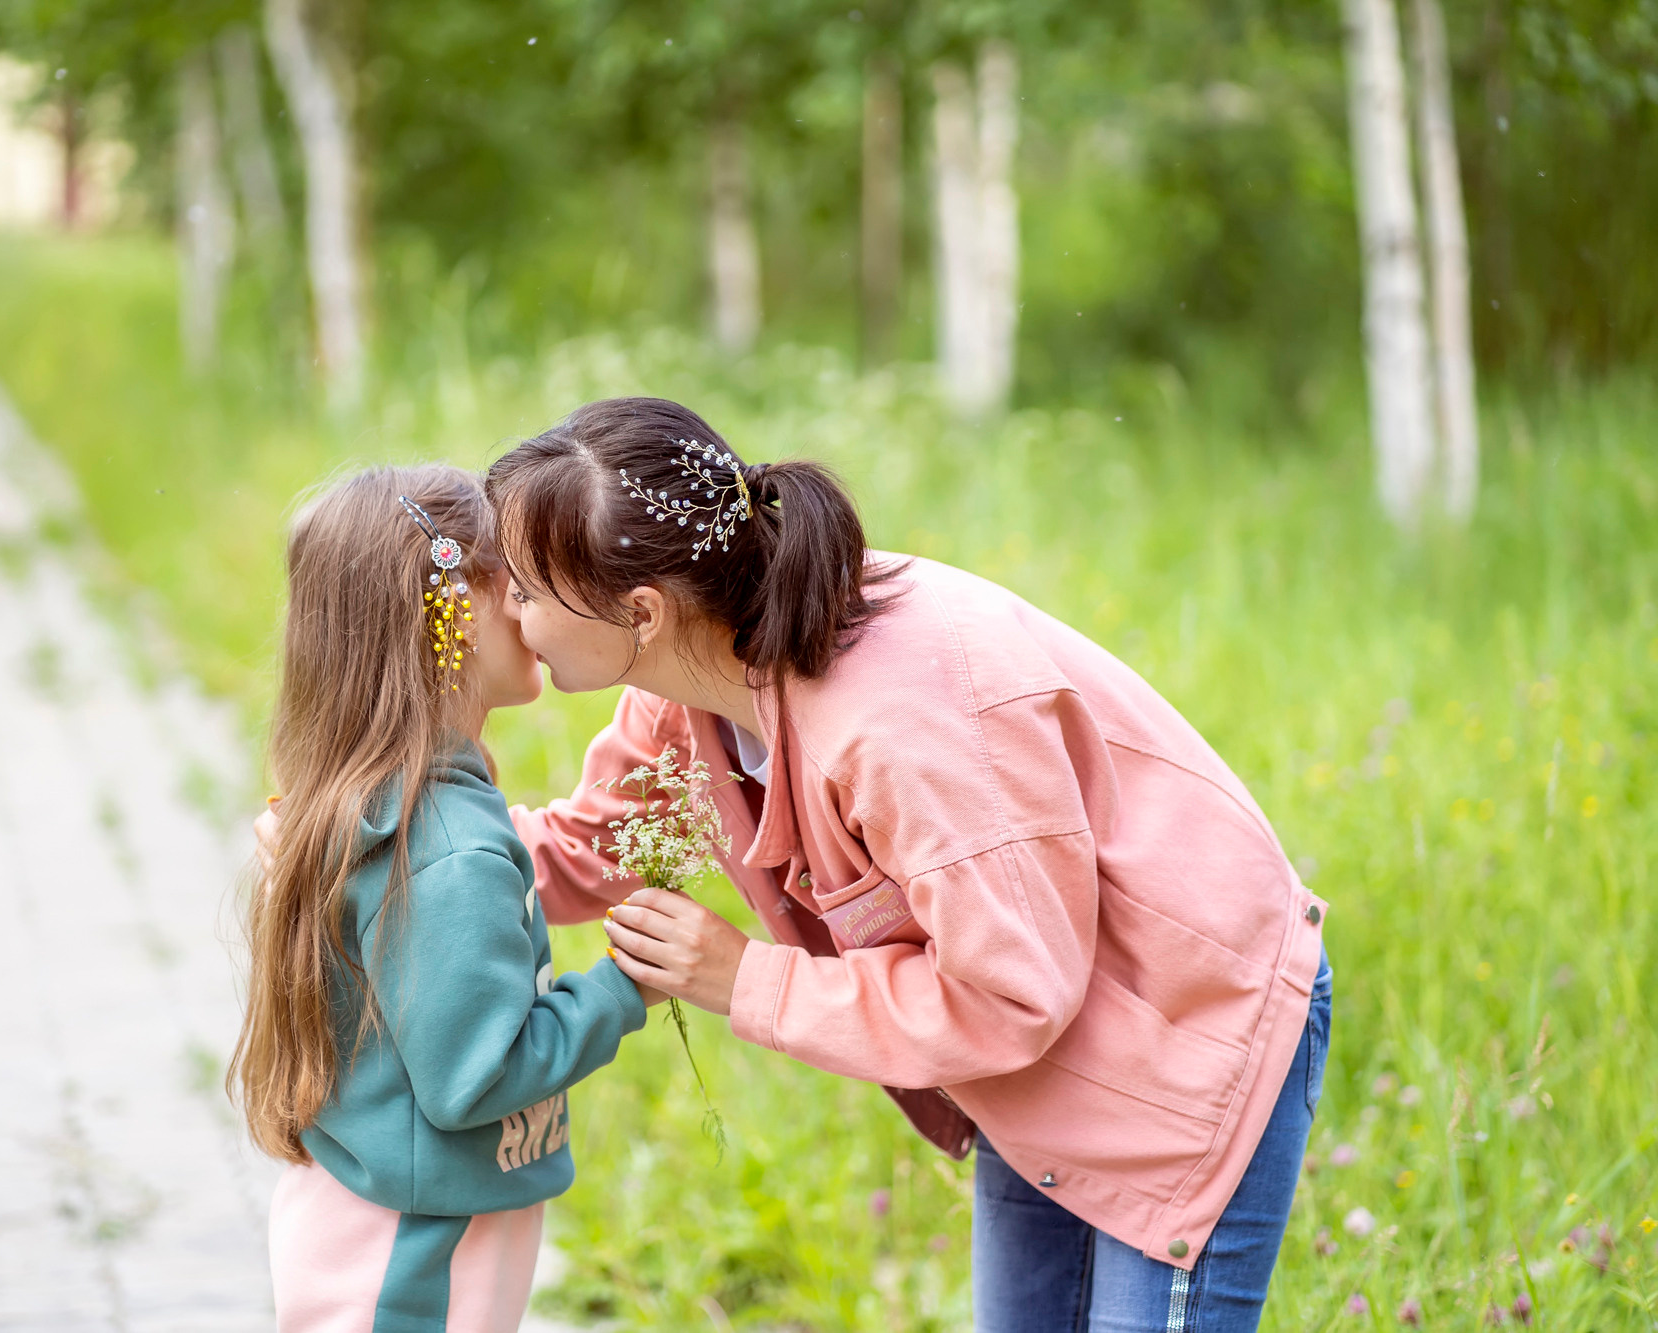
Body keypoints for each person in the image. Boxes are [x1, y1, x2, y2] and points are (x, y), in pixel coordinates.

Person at [485, 398, 1333, 1332]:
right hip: (1038, 1053)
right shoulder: (688, 690)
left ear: (639, 610)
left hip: (1179, 1029)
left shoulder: (897, 728)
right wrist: (373, 844)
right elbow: (574, 851)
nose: (508, 612)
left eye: (524, 588)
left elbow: (1011, 994)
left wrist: (746, 979)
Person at [230, 464, 656, 1333]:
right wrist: (625, 986)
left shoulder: (402, 797)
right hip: (413, 1253)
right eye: (522, 578)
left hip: (393, 1215)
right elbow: (476, 1075)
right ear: (453, 604)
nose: (535, 606)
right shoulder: (449, 844)